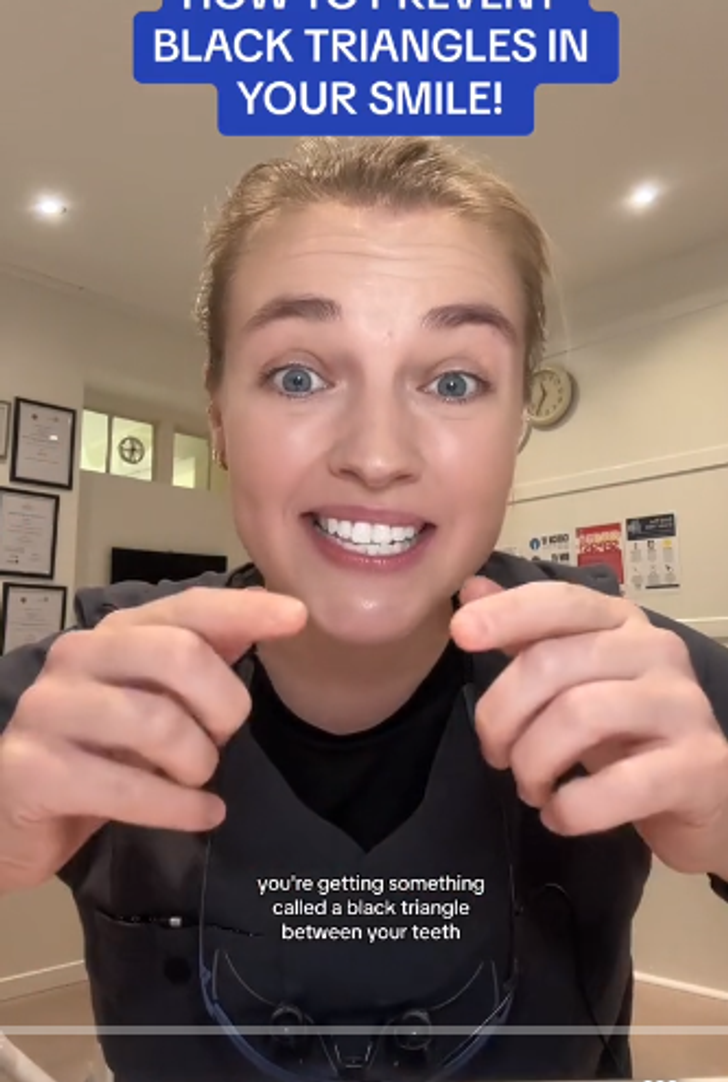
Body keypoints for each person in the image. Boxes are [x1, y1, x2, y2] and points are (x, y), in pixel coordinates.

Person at [0, 136, 727, 1082]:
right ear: (219, 415)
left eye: (454, 381)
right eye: (299, 376)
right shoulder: (76, 690)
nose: (377, 454)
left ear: (515, 427)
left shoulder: (648, 680)